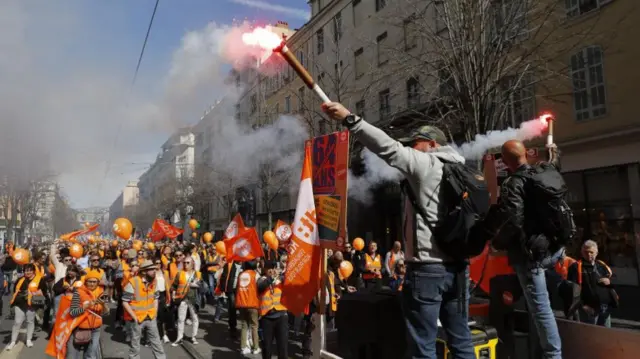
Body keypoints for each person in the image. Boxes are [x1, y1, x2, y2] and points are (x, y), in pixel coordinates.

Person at [322, 102, 475, 359]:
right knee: (461, 341)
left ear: (432, 144)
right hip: (459, 268)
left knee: (423, 347)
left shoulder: (426, 164)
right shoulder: (464, 169)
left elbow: (388, 148)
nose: (411, 149)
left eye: (415, 143)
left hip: (428, 269)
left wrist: (350, 119)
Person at [491, 139, 563, 359]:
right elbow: (554, 165)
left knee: (541, 310)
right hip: (555, 249)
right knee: (543, 305)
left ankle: (553, 355)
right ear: (525, 154)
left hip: (531, 256)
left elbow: (512, 223)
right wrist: (554, 154)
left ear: (505, 161)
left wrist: (497, 244)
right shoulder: (543, 172)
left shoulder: (513, 184)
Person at [122, 259, 165, 359]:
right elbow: (124, 301)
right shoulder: (133, 282)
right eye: (151, 269)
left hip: (150, 317)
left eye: (155, 269)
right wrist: (134, 317)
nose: (154, 271)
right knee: (135, 346)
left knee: (157, 343)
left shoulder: (154, 281)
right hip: (137, 319)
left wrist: (154, 312)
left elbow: (156, 298)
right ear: (144, 271)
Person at [567, 240, 615, 328]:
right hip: (589, 308)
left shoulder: (601, 265)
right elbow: (572, 290)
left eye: (591, 252)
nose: (589, 254)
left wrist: (608, 282)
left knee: (606, 335)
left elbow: (611, 285)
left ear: (596, 253)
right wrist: (583, 306)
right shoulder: (575, 267)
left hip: (605, 307)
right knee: (590, 334)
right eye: (586, 252)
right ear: (582, 252)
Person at [67, 271, 110, 359]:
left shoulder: (101, 294)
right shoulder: (78, 293)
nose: (92, 284)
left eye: (94, 282)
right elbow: (72, 312)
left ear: (98, 283)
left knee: (91, 355)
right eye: (90, 281)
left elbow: (106, 314)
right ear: (85, 282)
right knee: (73, 356)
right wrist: (84, 307)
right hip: (80, 329)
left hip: (95, 329)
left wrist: (103, 305)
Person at [7, 263, 48, 350]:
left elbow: (44, 292)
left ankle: (28, 339)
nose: (28, 272)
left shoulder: (40, 280)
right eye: (26, 270)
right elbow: (15, 291)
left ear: (33, 271)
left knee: (30, 321)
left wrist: (34, 294)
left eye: (30, 270)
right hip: (20, 304)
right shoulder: (20, 279)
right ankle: (13, 341)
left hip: (32, 304)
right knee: (17, 322)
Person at [257, 262, 288, 359]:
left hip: (281, 316)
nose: (271, 270)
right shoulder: (261, 280)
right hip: (267, 318)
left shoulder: (280, 280)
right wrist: (271, 278)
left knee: (282, 347)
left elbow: (289, 279)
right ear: (265, 270)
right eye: (269, 268)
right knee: (267, 348)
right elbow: (261, 287)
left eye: (273, 268)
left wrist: (281, 276)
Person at [171, 256, 201, 346]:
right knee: (181, 319)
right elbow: (174, 286)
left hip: (193, 299)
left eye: (188, 262)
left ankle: (193, 336)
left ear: (192, 264)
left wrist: (197, 285)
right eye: (184, 262)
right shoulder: (179, 273)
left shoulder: (197, 274)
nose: (185, 264)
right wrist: (173, 294)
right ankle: (179, 338)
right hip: (182, 298)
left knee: (195, 318)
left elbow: (203, 287)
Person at [235, 260, 261, 355]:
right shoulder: (255, 275)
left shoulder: (241, 275)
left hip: (242, 303)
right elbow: (260, 286)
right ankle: (255, 347)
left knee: (244, 325)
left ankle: (243, 347)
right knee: (254, 326)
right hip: (252, 303)